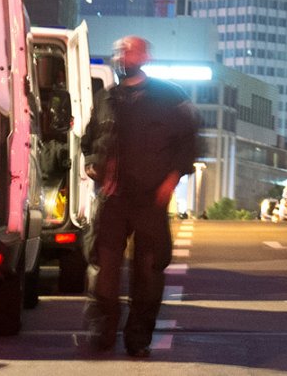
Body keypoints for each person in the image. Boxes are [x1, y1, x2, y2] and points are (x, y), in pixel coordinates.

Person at [81, 35, 199, 357]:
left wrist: (171, 181)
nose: (122, 56)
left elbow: (189, 144)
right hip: (112, 200)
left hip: (150, 200)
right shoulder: (106, 98)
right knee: (103, 273)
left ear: (145, 56)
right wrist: (93, 165)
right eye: (119, 51)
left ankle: (138, 339)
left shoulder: (170, 97)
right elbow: (89, 140)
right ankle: (102, 332)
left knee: (147, 275)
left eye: (129, 51)